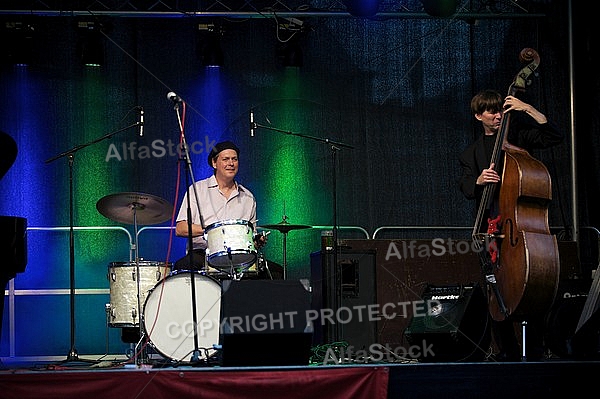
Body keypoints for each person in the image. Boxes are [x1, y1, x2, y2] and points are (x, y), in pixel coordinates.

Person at [459, 89, 563, 361]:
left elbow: (554, 136)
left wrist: (527, 108)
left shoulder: (519, 138)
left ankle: (538, 350)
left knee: (532, 283)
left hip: (521, 230)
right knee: (496, 286)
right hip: (492, 227)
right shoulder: (471, 153)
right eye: (491, 111)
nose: (497, 115)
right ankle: (507, 351)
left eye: (500, 110)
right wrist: (478, 181)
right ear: (478, 115)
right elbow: (466, 185)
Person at [174, 140, 267, 272]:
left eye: (234, 159)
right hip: (204, 253)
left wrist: (257, 241)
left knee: (274, 272)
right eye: (226, 159)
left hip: (238, 256)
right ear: (214, 163)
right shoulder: (197, 190)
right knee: (183, 266)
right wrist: (213, 230)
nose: (231, 163)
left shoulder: (248, 197)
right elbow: (180, 229)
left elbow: (250, 238)